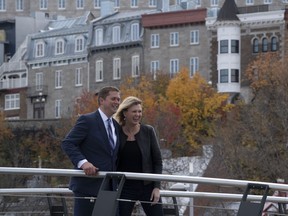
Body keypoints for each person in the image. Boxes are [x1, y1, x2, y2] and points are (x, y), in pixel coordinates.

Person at [61, 86, 121, 216]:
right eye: (113, 99)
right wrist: (83, 163)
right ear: (101, 101)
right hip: (87, 187)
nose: (117, 102)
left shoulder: (115, 126)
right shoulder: (87, 120)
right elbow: (68, 143)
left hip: (108, 188)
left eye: (118, 99)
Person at [114, 96, 164, 216]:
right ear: (125, 113)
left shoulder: (148, 131)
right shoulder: (116, 132)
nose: (138, 114)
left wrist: (157, 187)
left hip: (147, 187)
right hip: (124, 188)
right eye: (134, 111)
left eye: (140, 111)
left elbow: (157, 161)